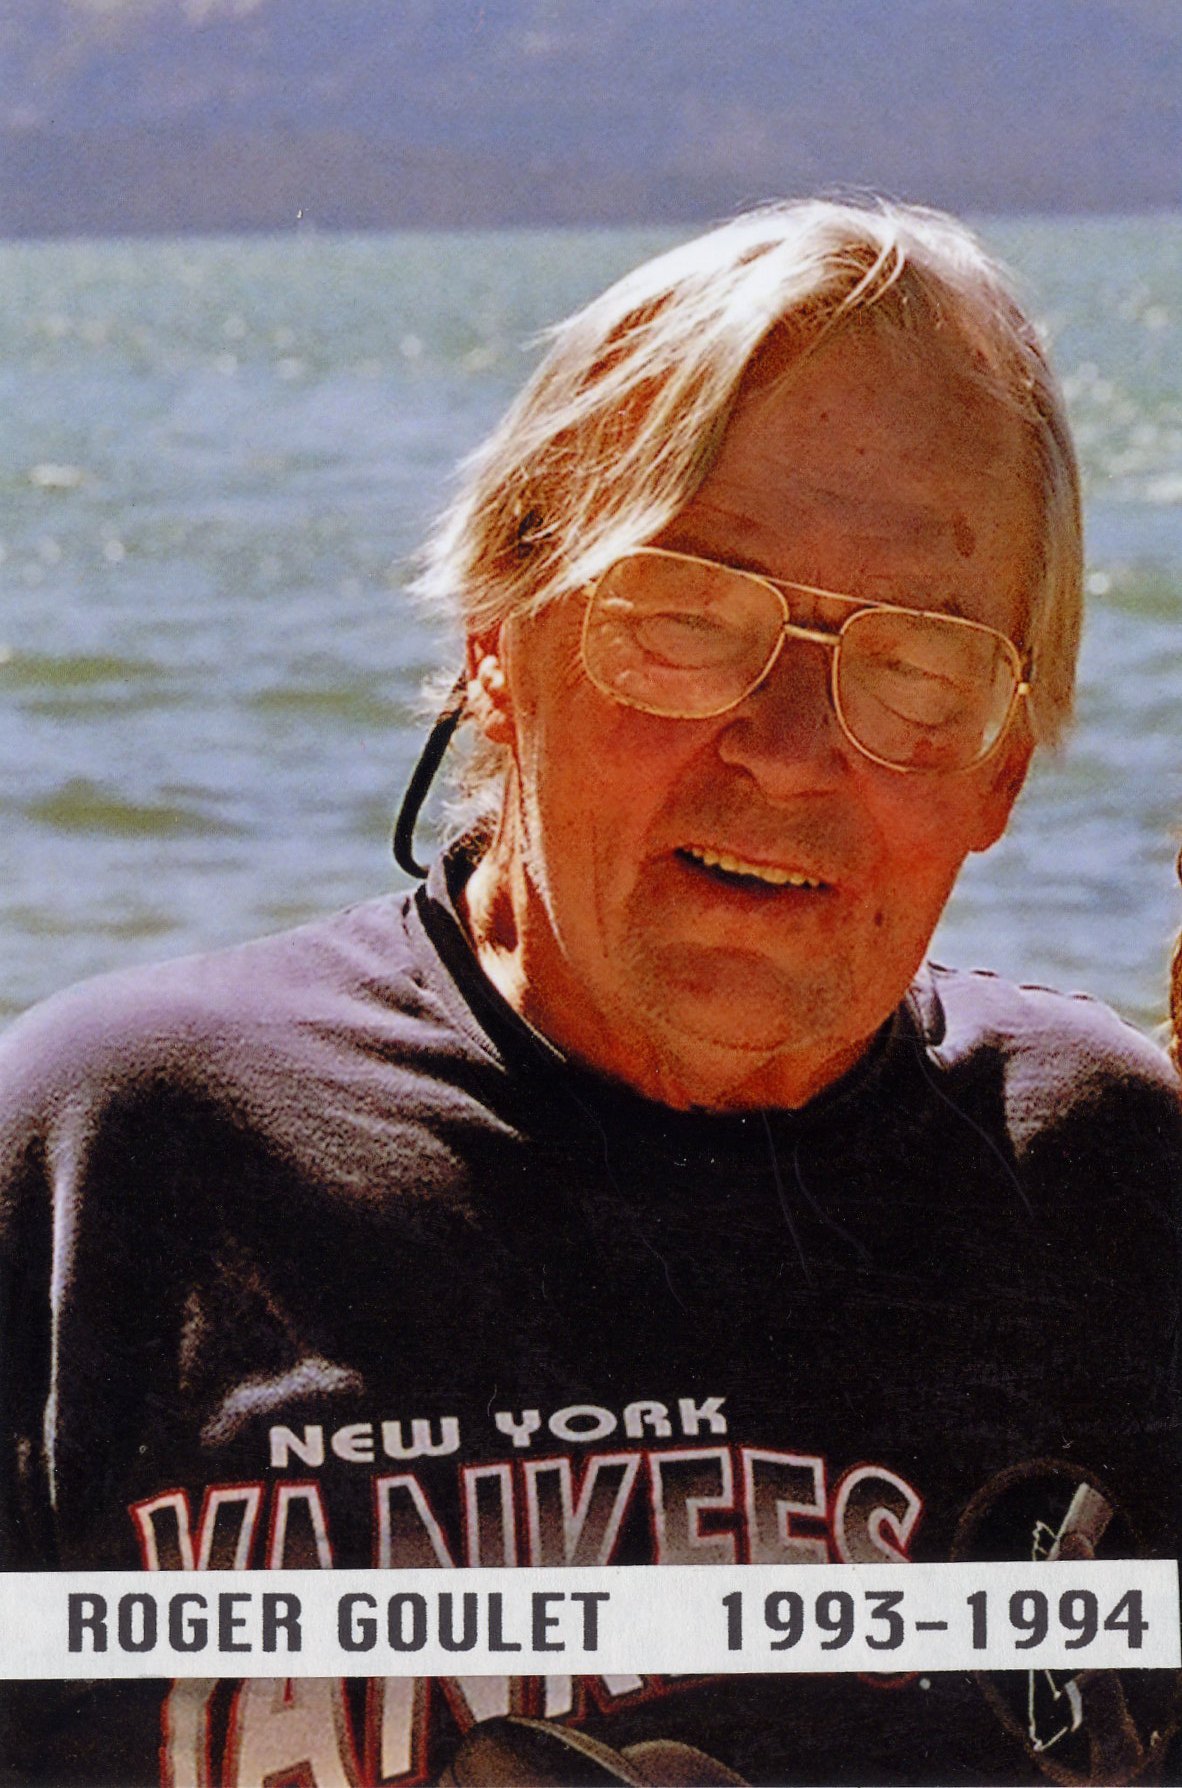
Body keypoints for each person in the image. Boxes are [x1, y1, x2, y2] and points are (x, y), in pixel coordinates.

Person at [1, 198, 1179, 1788]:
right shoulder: (110, 1157)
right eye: (688, 616)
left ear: (1002, 769)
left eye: (916, 665)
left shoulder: (1107, 1184)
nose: (788, 750)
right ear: (499, 637)